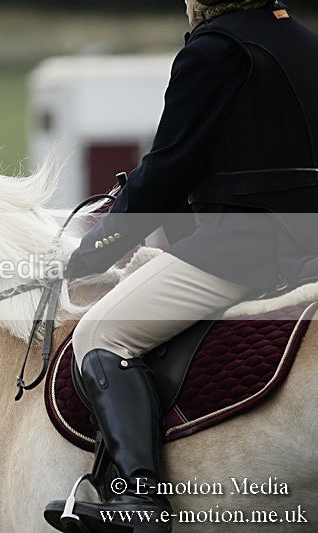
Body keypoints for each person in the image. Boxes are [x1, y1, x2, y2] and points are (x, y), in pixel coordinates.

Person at [44, 1, 318, 531]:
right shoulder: (307, 42)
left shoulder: (214, 51)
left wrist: (97, 248)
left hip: (246, 251)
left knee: (101, 335)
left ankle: (139, 498)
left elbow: (167, 171)